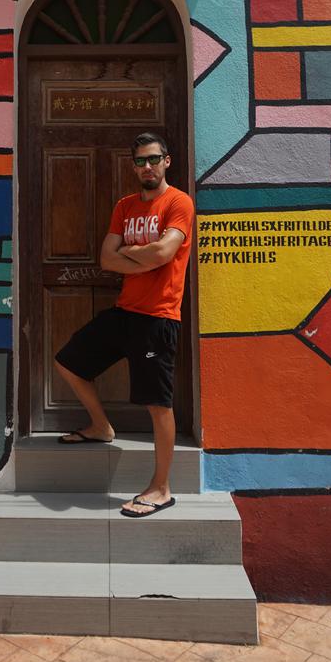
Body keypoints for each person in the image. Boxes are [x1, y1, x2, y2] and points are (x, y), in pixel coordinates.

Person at [54, 132, 194, 518]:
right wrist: (145, 257)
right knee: (69, 361)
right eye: (139, 161)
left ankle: (161, 488)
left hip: (158, 318)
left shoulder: (178, 202)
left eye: (153, 159)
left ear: (167, 161)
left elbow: (166, 252)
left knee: (157, 403)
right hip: (125, 312)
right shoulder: (125, 206)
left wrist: (132, 254)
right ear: (133, 166)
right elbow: (106, 259)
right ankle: (101, 427)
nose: (146, 167)